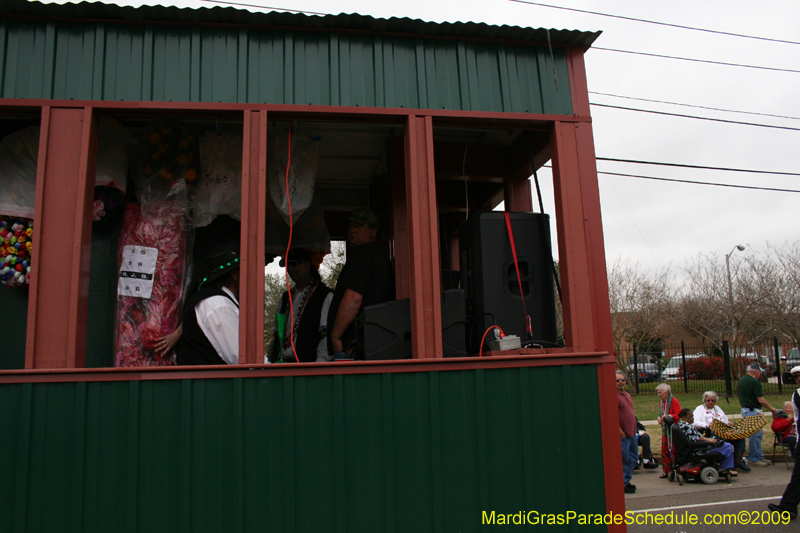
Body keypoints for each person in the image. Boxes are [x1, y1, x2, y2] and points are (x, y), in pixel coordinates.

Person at [327, 207, 393, 359]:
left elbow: (353, 298)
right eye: (350, 226)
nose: (352, 230)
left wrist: (336, 338)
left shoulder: (362, 254)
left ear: (373, 231)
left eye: (359, 225)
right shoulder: (379, 255)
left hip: (355, 347)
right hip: (377, 343)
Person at [175, 241, 241, 365]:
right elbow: (240, 356)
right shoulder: (218, 304)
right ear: (234, 274)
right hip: (210, 383)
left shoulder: (216, 299)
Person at [268, 248, 333, 363]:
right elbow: (276, 333)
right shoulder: (285, 297)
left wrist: (319, 365)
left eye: (295, 264)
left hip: (309, 368)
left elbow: (326, 336)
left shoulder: (324, 296)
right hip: (282, 366)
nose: (291, 269)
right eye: (288, 265)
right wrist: (270, 361)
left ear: (307, 264)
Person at [768, 366, 800, 521]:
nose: (799, 378)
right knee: (798, 476)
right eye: (796, 376)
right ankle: (788, 506)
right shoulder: (797, 395)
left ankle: (788, 505)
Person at [693, 390, 749, 472]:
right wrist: (707, 425)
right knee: (717, 435)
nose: (710, 402)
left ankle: (738, 461)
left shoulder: (717, 408)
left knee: (740, 437)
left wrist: (728, 423)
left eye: (713, 400)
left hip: (724, 430)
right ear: (704, 400)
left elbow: (725, 419)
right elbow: (695, 422)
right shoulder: (699, 409)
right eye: (708, 400)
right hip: (710, 432)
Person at [738, 361, 778, 467]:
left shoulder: (742, 380)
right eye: (760, 371)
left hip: (746, 410)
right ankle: (754, 458)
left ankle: (759, 456)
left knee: (757, 435)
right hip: (753, 411)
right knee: (755, 435)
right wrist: (771, 408)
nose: (760, 373)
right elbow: (761, 400)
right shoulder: (755, 382)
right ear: (756, 371)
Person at [676, 408, 737, 476]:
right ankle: (726, 469)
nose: (693, 418)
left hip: (695, 447)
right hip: (700, 449)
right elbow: (696, 438)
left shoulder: (680, 425)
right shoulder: (687, 426)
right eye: (690, 417)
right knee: (727, 446)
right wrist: (710, 440)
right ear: (684, 417)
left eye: (693, 416)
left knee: (720, 442)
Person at [616, 371, 638, 494]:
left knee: (633, 458)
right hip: (623, 435)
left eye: (622, 380)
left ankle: (627, 480)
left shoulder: (627, 395)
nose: (620, 383)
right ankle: (622, 483)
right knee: (624, 460)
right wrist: (619, 431)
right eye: (617, 380)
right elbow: (612, 416)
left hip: (632, 433)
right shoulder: (614, 396)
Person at [656, 383, 681, 478]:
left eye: (660, 393)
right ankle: (666, 470)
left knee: (673, 450)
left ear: (666, 393)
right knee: (665, 450)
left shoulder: (673, 401)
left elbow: (678, 414)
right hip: (665, 430)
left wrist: (670, 416)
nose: (659, 395)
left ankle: (677, 469)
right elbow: (660, 413)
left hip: (673, 430)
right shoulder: (662, 403)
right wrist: (659, 418)